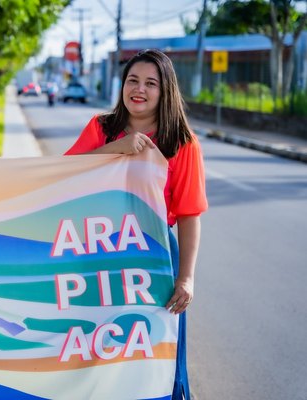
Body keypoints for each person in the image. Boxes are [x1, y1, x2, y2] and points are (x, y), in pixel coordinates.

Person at [64, 49, 207, 400]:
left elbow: (189, 215)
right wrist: (116, 149)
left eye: (150, 83)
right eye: (132, 80)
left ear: (165, 90)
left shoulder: (183, 143)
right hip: (95, 252)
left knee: (155, 350)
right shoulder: (101, 128)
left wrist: (185, 277)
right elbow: (63, 174)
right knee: (98, 345)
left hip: (154, 260)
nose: (138, 89)